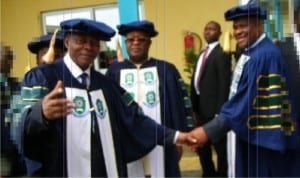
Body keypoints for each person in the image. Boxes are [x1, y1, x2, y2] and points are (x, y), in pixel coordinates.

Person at [19, 18, 193, 177]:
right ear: (67, 42)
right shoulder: (43, 77)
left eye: (94, 43)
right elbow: (17, 122)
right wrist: (40, 113)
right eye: (81, 41)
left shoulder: (105, 84)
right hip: (61, 169)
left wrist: (175, 136)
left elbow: (134, 118)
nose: (88, 47)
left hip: (103, 167)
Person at [188, 4, 300, 177]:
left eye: (243, 25)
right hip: (254, 136)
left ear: (257, 24)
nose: (237, 31)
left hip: (264, 143)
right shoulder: (252, 53)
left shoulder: (263, 56)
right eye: (235, 27)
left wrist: (206, 131)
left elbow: (243, 103)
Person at [106, 20, 194, 177]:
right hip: (127, 140)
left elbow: (177, 105)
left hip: (162, 138)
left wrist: (177, 139)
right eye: (131, 39)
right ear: (126, 43)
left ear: (149, 43)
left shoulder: (166, 69)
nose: (136, 43)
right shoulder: (114, 72)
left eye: (141, 39)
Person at [190, 20, 231, 177]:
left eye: (212, 29)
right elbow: (196, 80)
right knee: (201, 146)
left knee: (220, 148)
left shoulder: (222, 54)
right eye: (206, 29)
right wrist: (193, 108)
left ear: (219, 33)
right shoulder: (202, 53)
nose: (208, 32)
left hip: (214, 111)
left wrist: (219, 111)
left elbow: (224, 83)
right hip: (200, 110)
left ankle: (222, 174)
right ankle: (208, 173)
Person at [0, 44, 25, 177]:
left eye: (9, 59)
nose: (7, 63)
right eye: (4, 58)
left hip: (18, 150)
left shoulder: (19, 86)